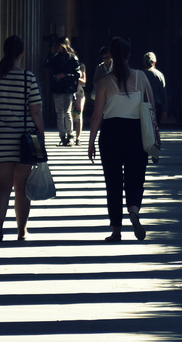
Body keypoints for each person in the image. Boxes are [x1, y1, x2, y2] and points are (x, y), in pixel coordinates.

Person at [88, 36, 152, 241]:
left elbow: (97, 116)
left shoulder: (103, 82)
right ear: (128, 55)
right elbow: (151, 106)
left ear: (112, 57)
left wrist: (90, 143)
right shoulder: (140, 77)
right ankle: (133, 209)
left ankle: (116, 230)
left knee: (113, 182)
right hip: (136, 132)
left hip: (111, 133)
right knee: (135, 177)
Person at [0, 34, 44, 242]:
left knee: (2, 185)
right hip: (23, 140)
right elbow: (35, 111)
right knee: (22, 186)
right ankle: (22, 231)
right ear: (22, 54)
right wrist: (41, 135)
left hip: (0, 137)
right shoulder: (28, 78)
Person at [45, 37, 85, 146]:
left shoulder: (72, 58)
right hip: (57, 88)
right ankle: (62, 137)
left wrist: (65, 76)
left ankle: (70, 135)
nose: (57, 47)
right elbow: (47, 65)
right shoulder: (54, 57)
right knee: (59, 113)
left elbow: (78, 74)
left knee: (67, 112)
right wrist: (51, 53)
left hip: (68, 88)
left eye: (59, 45)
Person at [141, 51, 168, 124]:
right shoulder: (159, 74)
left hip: (142, 104)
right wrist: (165, 109)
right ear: (155, 62)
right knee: (155, 127)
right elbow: (163, 92)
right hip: (157, 104)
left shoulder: (139, 74)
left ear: (144, 62)